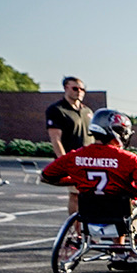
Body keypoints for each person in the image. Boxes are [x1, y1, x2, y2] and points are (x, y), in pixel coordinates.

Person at [40, 108, 137, 271]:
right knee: (128, 209)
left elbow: (46, 176)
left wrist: (75, 180)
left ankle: (114, 251)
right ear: (117, 132)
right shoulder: (128, 159)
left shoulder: (75, 156)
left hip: (88, 213)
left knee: (111, 207)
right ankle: (126, 253)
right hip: (120, 213)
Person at [45, 76, 94, 215]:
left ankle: (90, 230)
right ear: (66, 88)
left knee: (93, 196)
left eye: (82, 89)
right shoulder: (57, 110)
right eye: (75, 88)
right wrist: (65, 162)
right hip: (73, 159)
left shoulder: (88, 112)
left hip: (91, 160)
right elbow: (55, 139)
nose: (79, 92)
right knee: (76, 194)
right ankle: (78, 232)